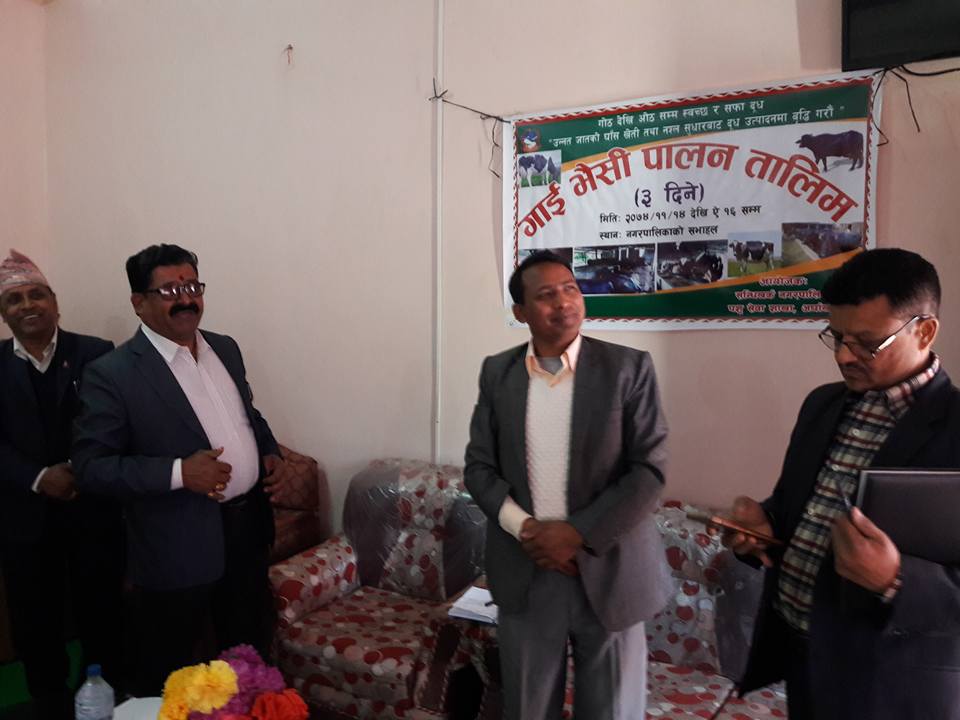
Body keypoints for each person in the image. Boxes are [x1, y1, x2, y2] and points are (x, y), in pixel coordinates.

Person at [726, 248, 960, 719]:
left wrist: (895, 579)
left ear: (924, 331)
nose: (843, 356)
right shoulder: (822, 404)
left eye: (867, 343)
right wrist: (762, 526)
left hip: (890, 685)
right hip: (803, 659)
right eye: (836, 337)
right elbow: (796, 507)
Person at [464, 251, 671, 720]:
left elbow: (650, 470)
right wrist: (528, 530)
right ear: (521, 312)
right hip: (528, 569)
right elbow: (478, 468)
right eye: (546, 295)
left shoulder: (628, 368)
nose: (563, 302)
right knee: (528, 707)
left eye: (570, 289)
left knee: (613, 710)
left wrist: (575, 534)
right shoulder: (497, 373)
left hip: (611, 568)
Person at [72, 244, 282, 696]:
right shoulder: (112, 373)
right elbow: (92, 468)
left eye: (192, 286)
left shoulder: (224, 347)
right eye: (169, 290)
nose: (185, 299)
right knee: (169, 673)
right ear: (139, 303)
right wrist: (180, 473)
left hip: (246, 531)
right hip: (176, 547)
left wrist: (268, 451)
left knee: (247, 656)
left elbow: (248, 414)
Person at [0, 250, 124, 718]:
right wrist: (38, 478)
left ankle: (102, 697)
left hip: (90, 506)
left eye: (36, 295)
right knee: (34, 618)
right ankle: (48, 700)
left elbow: (111, 421)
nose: (27, 305)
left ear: (55, 302)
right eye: (14, 299)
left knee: (101, 610)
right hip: (23, 515)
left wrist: (75, 468)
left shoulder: (96, 352)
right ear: (3, 313)